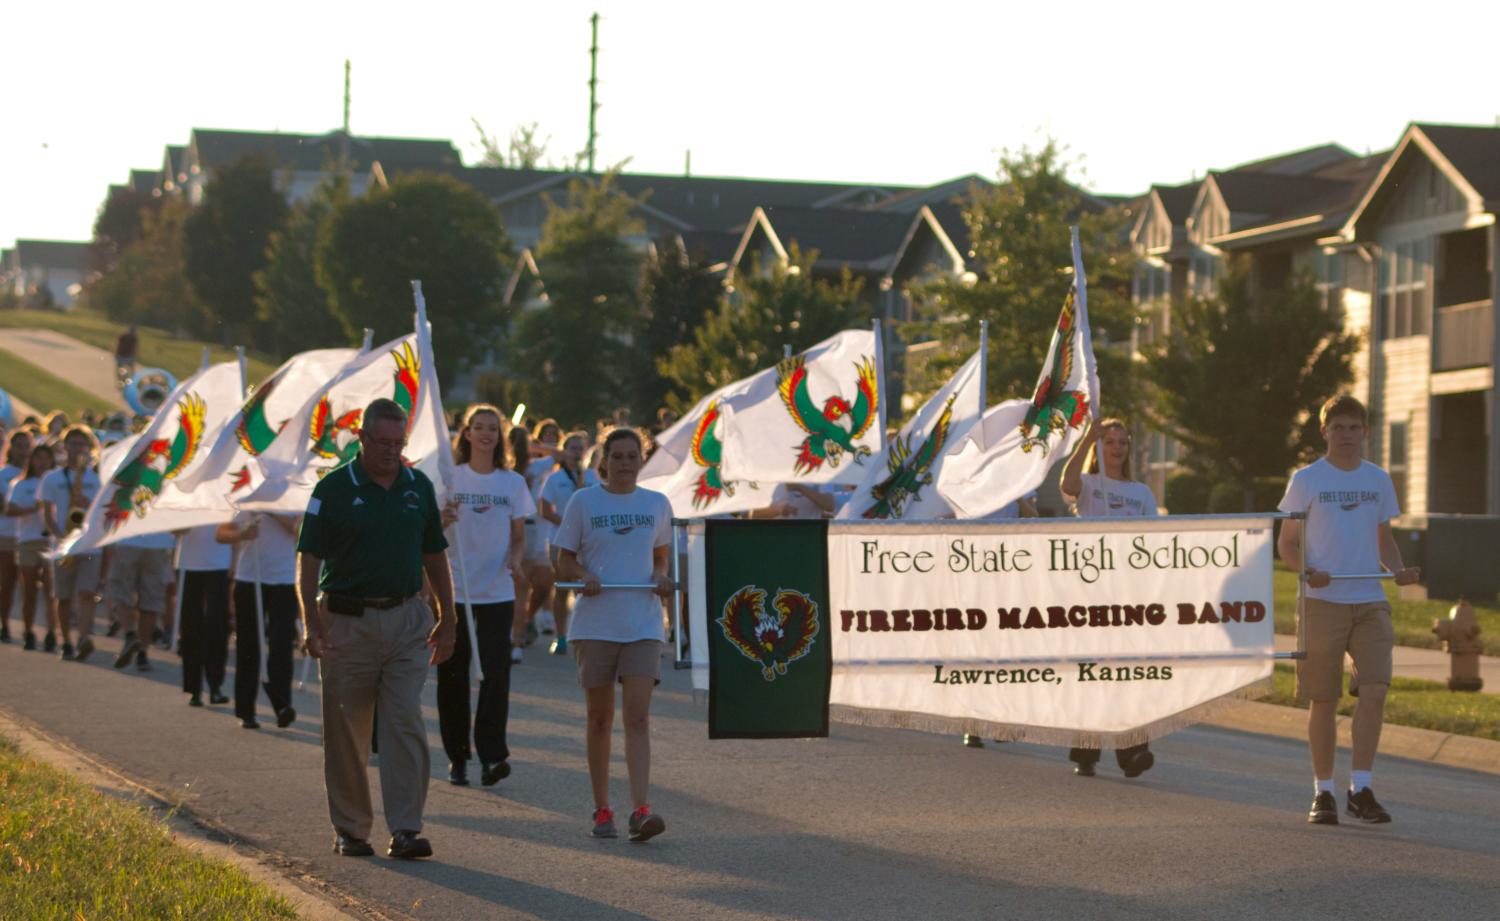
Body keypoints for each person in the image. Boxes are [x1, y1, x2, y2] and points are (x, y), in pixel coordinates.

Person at [297, 398, 456, 861]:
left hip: (407, 617)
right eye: (382, 442)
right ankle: (351, 828)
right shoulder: (332, 490)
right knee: (347, 727)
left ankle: (406, 828)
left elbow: (434, 554)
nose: (391, 451)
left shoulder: (417, 486)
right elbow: (308, 559)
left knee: (404, 721)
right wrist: (310, 618)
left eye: (398, 443)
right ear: (361, 438)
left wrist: (449, 616)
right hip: (346, 621)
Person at [1277, 395, 1420, 826]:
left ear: (1364, 432)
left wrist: (1396, 571)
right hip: (1323, 602)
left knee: (1374, 689)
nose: (1345, 435)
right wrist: (1309, 571)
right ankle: (1324, 792)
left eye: (1353, 428)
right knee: (1324, 699)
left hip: (1370, 602)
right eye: (1337, 427)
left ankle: (1362, 787)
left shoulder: (1377, 479)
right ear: (1324, 432)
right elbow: (1287, 544)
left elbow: (1385, 542)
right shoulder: (1306, 479)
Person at [553, 427, 673, 842]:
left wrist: (660, 579)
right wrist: (582, 575)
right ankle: (602, 808)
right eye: (617, 456)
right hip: (595, 624)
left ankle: (641, 808)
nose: (624, 463)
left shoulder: (656, 503)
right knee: (600, 718)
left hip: (642, 622)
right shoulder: (583, 501)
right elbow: (562, 559)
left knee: (637, 717)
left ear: (642, 461)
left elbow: (660, 556)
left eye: (632, 456)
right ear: (603, 461)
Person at [436, 404, 533, 788]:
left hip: (497, 590)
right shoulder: (450, 478)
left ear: (500, 437)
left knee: (496, 674)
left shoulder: (511, 484)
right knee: (454, 675)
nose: (486, 433)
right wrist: (443, 519)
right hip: (456, 590)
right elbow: (432, 531)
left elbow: (520, 538)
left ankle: (492, 756)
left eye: (493, 428)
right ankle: (457, 756)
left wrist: (515, 559)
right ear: (467, 434)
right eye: (479, 427)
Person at [1059, 416, 1159, 779]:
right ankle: (1085, 750)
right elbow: (1067, 484)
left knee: (1128, 674)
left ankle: (1133, 752)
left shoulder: (1141, 493)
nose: (1116, 448)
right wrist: (1087, 440)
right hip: (1091, 593)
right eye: (1109, 441)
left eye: (1122, 442)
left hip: (1129, 595)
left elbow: (1156, 542)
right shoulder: (1087, 485)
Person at [217, 512, 301, 729]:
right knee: (248, 646)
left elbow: (299, 531)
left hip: (284, 579)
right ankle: (246, 711)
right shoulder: (246, 495)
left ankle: (282, 706)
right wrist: (242, 533)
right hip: (249, 578)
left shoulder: (292, 494)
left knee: (281, 645)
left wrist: (273, 512)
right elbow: (221, 534)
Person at [40, 425, 103, 661]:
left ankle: (83, 637)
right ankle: (65, 639)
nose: (78, 449)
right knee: (63, 596)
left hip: (88, 544)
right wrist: (58, 535)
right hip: (63, 543)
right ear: (65, 447)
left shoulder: (95, 479)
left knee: (86, 592)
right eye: (73, 444)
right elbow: (47, 512)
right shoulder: (52, 477)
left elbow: (101, 512)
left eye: (82, 445)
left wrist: (89, 505)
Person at [538, 431, 598, 655]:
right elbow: (544, 509)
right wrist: (568, 523)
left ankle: (585, 634)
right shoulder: (554, 478)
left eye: (580, 448)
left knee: (586, 589)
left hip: (589, 542)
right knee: (563, 588)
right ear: (564, 451)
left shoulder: (592, 477)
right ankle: (561, 636)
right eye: (572, 448)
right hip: (560, 541)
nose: (576, 453)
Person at [4, 441, 55, 651]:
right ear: (32, 461)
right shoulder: (21, 484)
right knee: (29, 590)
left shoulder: (57, 481)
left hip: (51, 541)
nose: (42, 462)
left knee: (52, 591)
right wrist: (33, 508)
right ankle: (28, 631)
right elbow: (10, 510)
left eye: (46, 458)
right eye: (38, 458)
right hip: (27, 540)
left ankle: (52, 631)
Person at [175, 525, 232, 707]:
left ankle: (215, 686)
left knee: (217, 627)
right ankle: (194, 689)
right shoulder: (182, 495)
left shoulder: (225, 496)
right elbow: (171, 526)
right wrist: (179, 528)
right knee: (191, 628)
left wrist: (235, 560)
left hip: (219, 564)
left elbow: (233, 525)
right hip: (188, 565)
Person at [109, 530, 177, 672]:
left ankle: (130, 635)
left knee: (121, 593)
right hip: (158, 543)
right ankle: (142, 654)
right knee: (151, 601)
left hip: (128, 539)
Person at [0, 426, 36, 644]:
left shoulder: (37, 477)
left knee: (29, 587)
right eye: (19, 446)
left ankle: (28, 628)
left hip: (31, 536)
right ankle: (4, 624)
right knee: (6, 583)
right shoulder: (3, 474)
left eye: (27, 447)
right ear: (10, 448)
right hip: (6, 535)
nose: (23, 451)